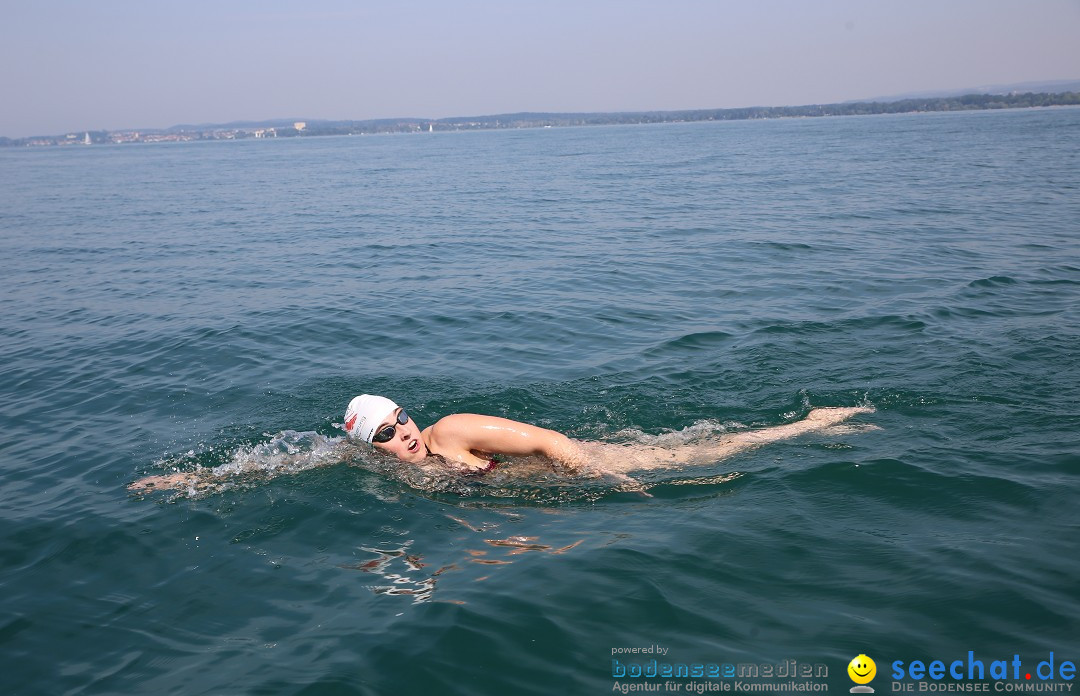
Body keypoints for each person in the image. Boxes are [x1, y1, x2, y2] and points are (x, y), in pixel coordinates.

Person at [129, 394, 874, 493]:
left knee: (713, 452)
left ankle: (815, 423)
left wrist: (604, 477)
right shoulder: (366, 459)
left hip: (584, 464)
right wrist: (181, 481)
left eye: (401, 423)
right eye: (386, 438)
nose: (403, 439)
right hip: (534, 496)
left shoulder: (450, 433)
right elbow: (272, 465)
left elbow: (549, 439)